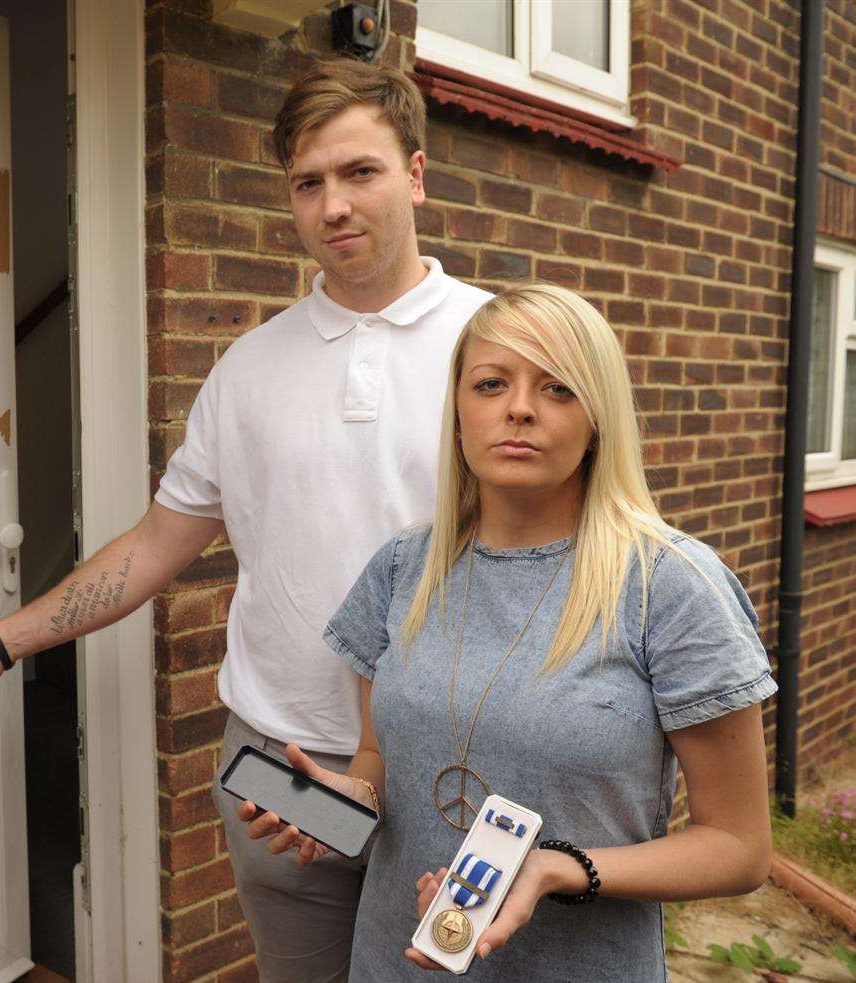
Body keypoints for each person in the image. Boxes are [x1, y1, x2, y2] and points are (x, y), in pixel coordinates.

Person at [0, 60, 490, 981]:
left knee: (459, 970)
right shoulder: (248, 368)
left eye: (360, 172)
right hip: (280, 759)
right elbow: (156, 545)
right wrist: (7, 640)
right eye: (308, 182)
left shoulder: (498, 347)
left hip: (454, 759)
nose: (333, 206)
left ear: (414, 175)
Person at [242, 283, 776, 981]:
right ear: (459, 413)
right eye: (491, 383)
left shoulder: (670, 587)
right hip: (395, 961)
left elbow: (739, 847)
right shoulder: (404, 567)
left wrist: (559, 868)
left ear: (598, 417)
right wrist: (353, 798)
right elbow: (378, 753)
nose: (518, 407)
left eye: (557, 388)